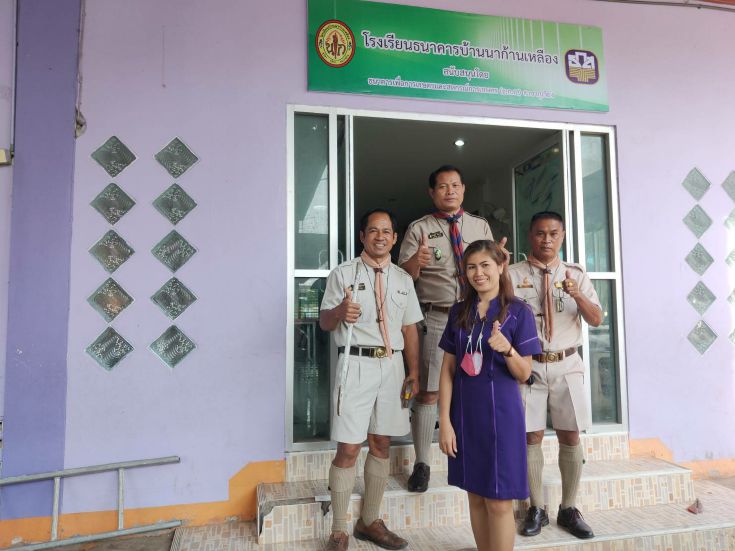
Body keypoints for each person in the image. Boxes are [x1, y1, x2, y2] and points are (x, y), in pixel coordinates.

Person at [319, 208, 422, 551]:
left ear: (395, 238)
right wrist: (339, 312)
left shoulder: (403, 279)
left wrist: (414, 372)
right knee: (349, 447)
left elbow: (409, 329)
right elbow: (324, 322)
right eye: (373, 230)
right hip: (356, 364)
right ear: (362, 236)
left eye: (387, 231)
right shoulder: (343, 274)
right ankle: (338, 531)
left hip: (392, 367)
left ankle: (369, 521)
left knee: (381, 444)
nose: (381, 236)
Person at [437, 240, 541, 551]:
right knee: (476, 496)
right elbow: (448, 369)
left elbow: (524, 373)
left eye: (485, 265)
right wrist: (445, 421)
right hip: (465, 416)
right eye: (471, 267)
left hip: (501, 417)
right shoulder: (459, 311)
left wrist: (508, 350)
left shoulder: (519, 312)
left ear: (500, 266)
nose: (478, 273)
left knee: (498, 501)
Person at [398, 165, 495, 492]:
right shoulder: (419, 228)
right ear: (432, 192)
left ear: (463, 189)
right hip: (438, 317)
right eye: (442, 186)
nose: (449, 191)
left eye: (455, 185)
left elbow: (492, 270)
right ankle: (422, 462)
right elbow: (403, 276)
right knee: (429, 391)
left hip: (476, 316)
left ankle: (476, 451)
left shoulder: (480, 226)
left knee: (477, 385)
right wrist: (417, 261)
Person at [507, 211, 603, 540]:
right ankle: (536, 508)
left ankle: (569, 508)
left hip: (567, 363)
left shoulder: (576, 274)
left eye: (553, 233)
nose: (546, 239)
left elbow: (596, 319)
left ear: (562, 236)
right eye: (540, 233)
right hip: (529, 365)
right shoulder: (512, 274)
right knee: (530, 436)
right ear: (530, 235)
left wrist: (577, 294)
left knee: (570, 435)